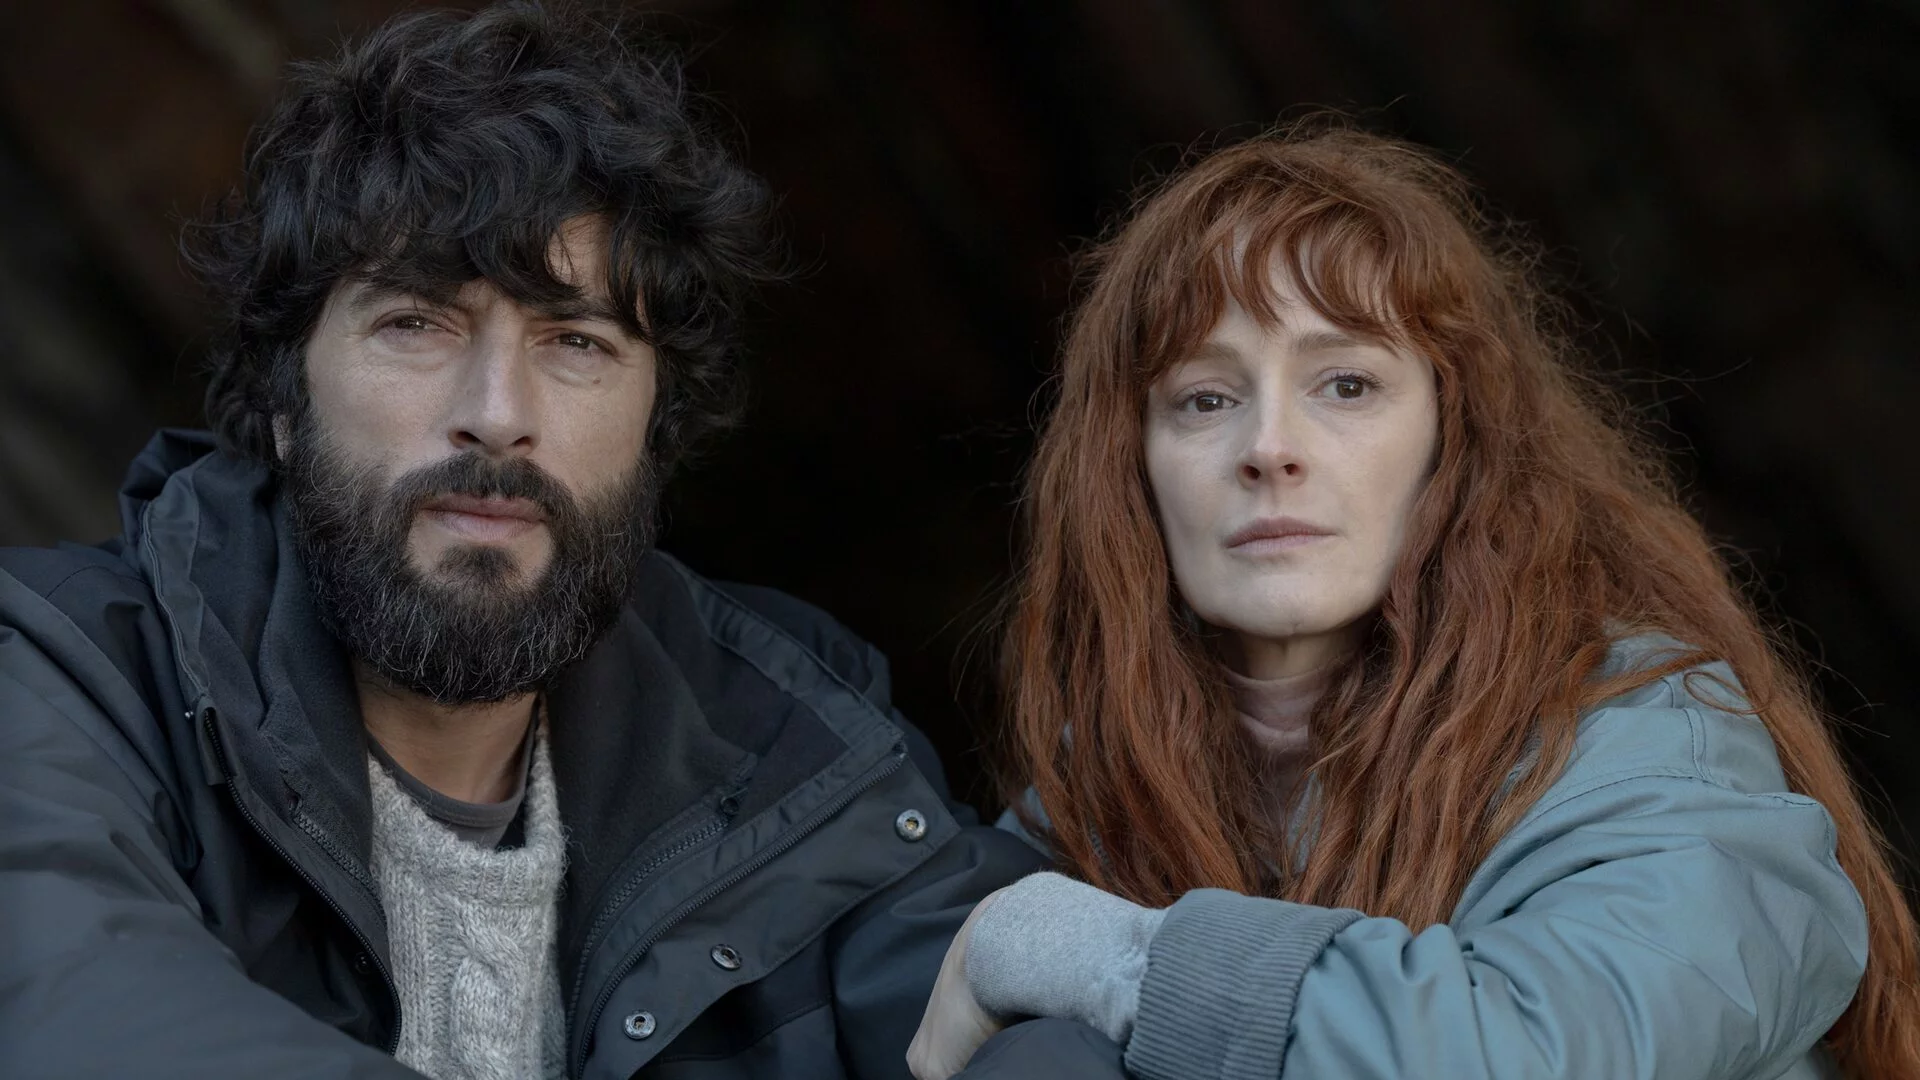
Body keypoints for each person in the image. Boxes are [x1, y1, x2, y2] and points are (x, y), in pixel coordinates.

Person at [0, 5, 1044, 1078]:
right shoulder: (59, 684)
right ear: (283, 398)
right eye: (416, 323)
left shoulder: (796, 745)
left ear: (655, 426)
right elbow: (82, 1010)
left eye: (576, 342)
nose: (497, 415)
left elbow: (1022, 1029)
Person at [907, 126, 1920, 1079]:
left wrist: (1114, 960)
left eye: (1345, 384)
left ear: (1455, 440)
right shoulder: (1101, 787)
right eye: (1205, 399)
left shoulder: (1652, 738)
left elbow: (1531, 1056)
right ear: (1132, 470)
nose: (1268, 446)